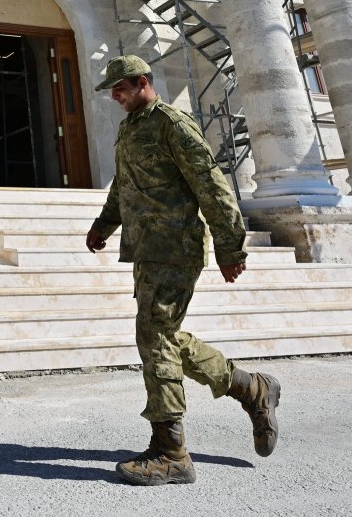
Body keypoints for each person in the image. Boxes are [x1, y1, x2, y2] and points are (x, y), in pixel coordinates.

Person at [84, 55, 281, 487]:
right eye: (112, 90)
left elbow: (211, 184)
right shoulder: (131, 127)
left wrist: (231, 246)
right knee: (164, 336)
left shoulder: (174, 123)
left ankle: (171, 452)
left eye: (119, 88)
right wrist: (103, 224)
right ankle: (250, 387)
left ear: (141, 83)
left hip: (176, 247)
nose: (114, 96)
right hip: (147, 249)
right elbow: (124, 183)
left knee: (154, 336)